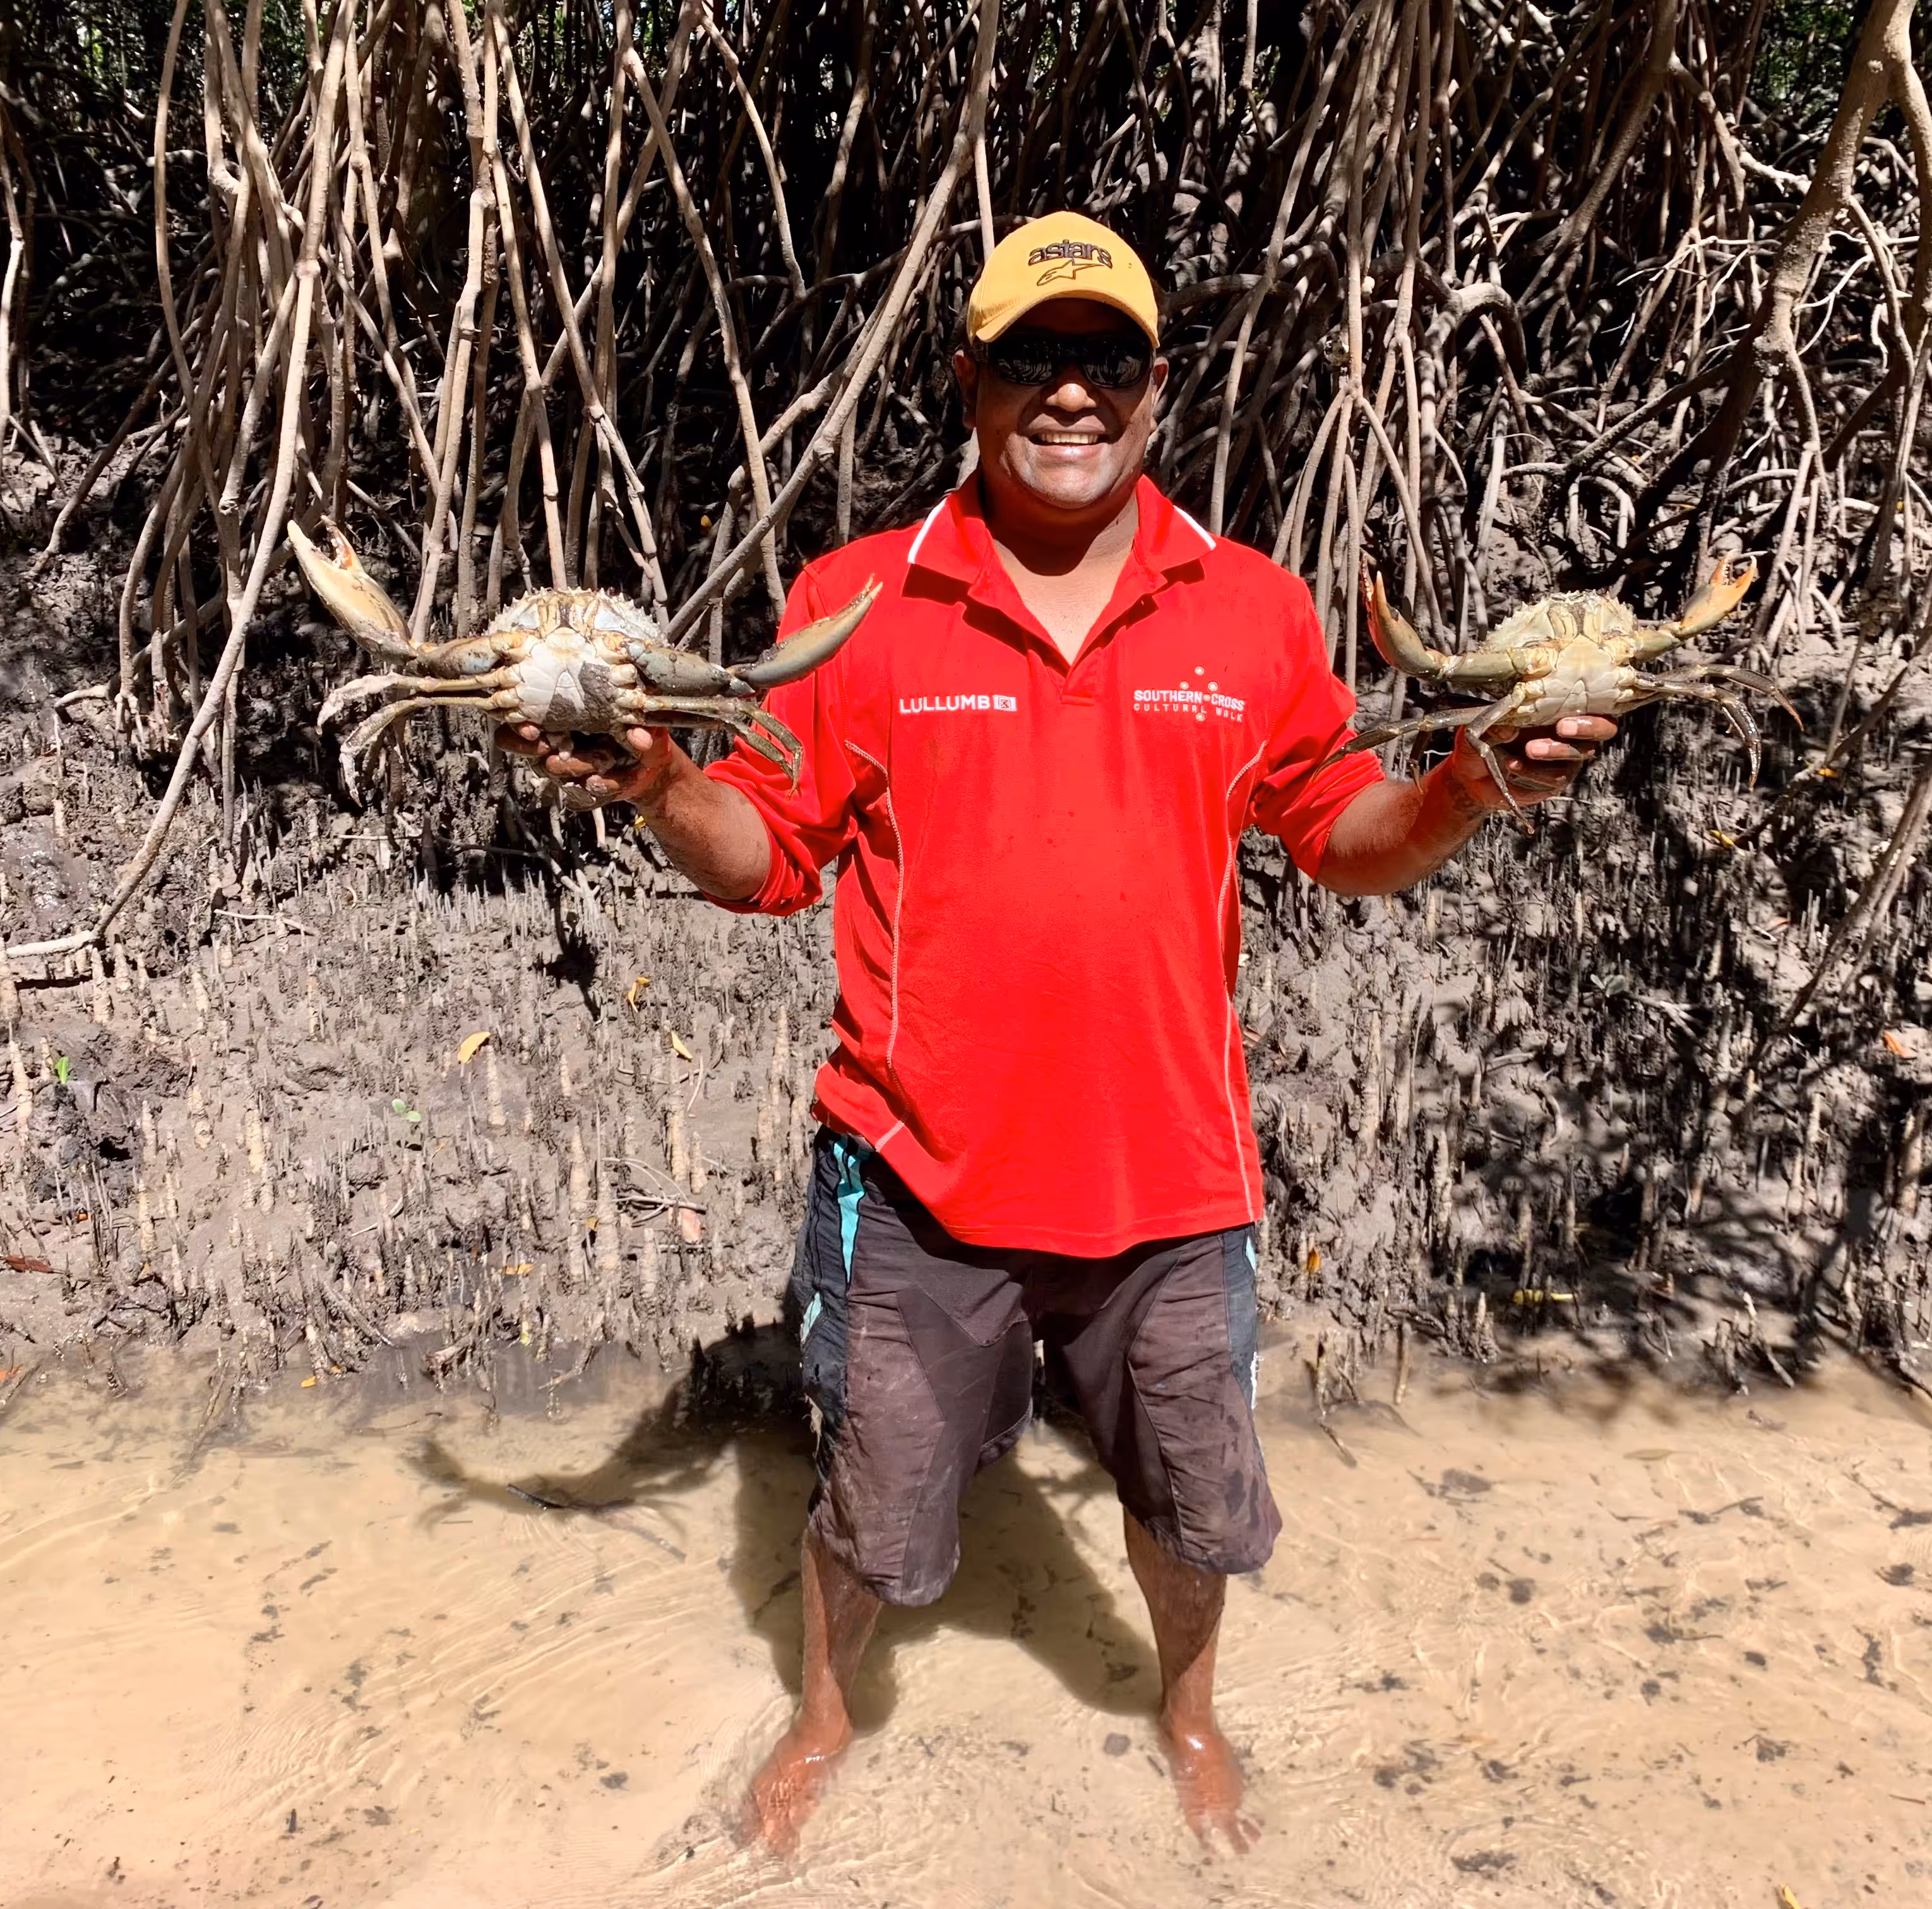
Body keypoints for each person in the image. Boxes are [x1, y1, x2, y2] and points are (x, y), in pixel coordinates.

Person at [502, 211, 1616, 1854]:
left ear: (1156, 387)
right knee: (874, 1510)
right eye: (1034, 355)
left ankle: (1187, 1714)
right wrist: (664, 783)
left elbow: (1341, 837)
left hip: (1171, 1185)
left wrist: (1467, 783)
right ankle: (823, 1718)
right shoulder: (856, 605)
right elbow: (767, 863)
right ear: (970, 378)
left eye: (1106, 359)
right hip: (914, 1182)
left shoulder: (1249, 613)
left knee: (1190, 1504)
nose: (1070, 392)